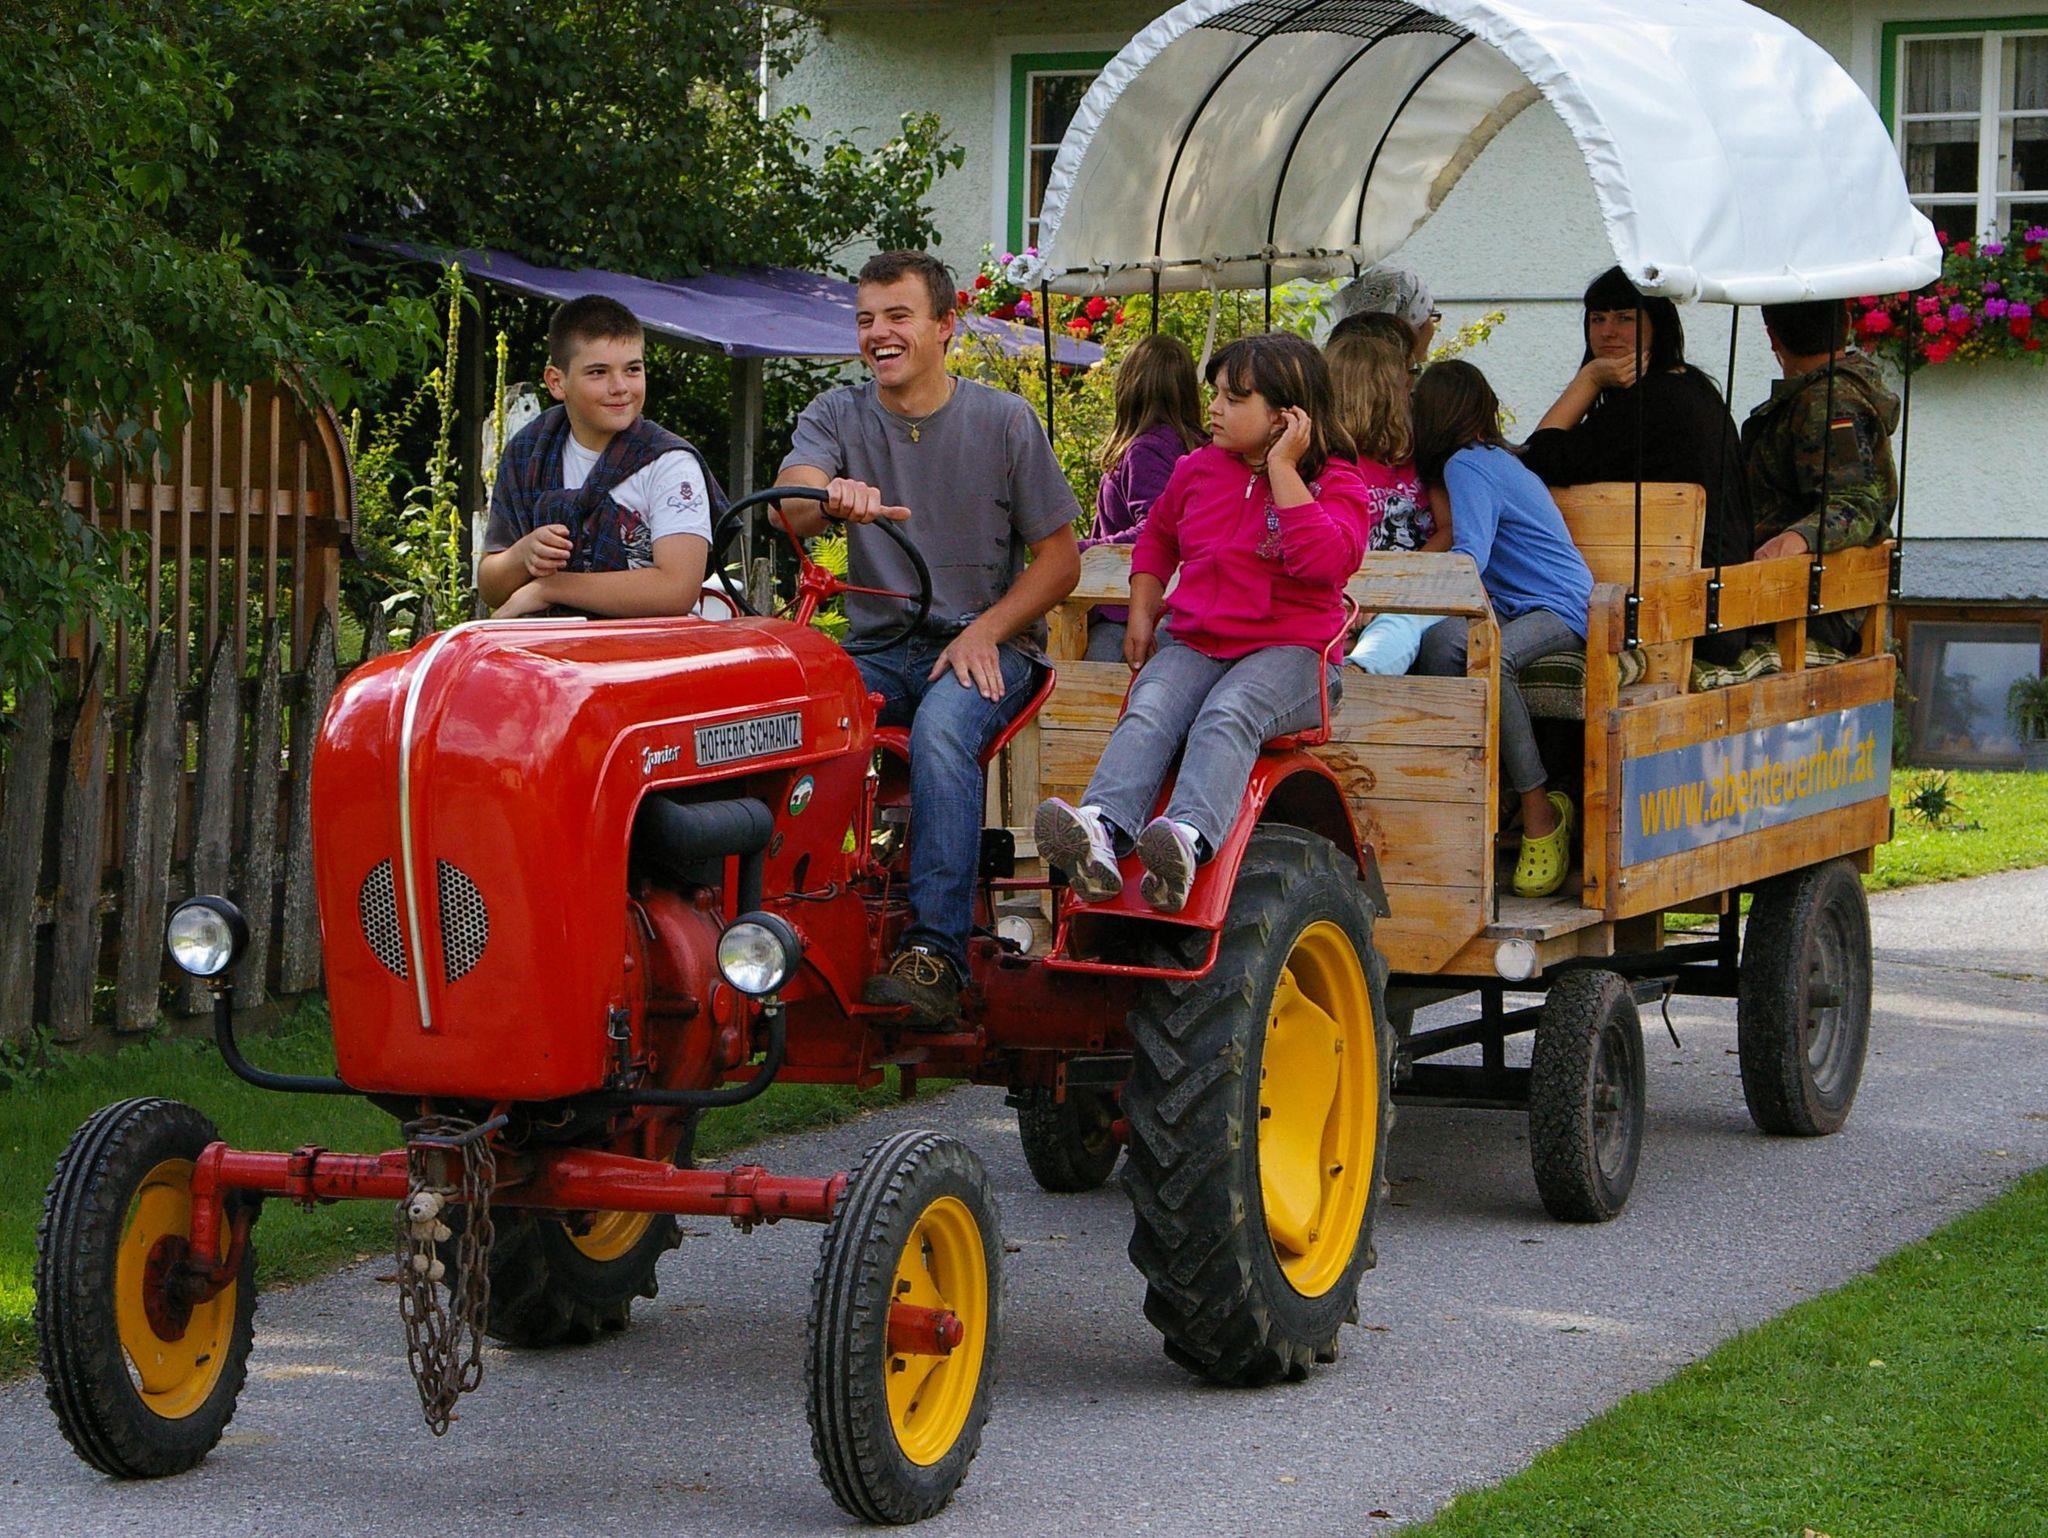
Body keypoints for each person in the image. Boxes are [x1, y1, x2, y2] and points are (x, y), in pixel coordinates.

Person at [776, 250, 1081, 1025]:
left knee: (943, 729)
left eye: (898, 316)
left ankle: (935, 956)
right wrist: (828, 496)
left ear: (945, 326)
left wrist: (985, 630)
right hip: (880, 648)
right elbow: (791, 504)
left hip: (990, 647)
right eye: (865, 319)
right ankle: (787, 924)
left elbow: (1060, 562)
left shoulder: (1003, 422)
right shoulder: (838, 414)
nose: (878, 333)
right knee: (783, 714)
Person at [1035, 334, 1370, 913]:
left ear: (1287, 416)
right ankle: (1101, 830)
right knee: (1150, 704)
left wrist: (1283, 469)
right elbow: (1159, 538)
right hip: (1199, 642)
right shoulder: (1198, 469)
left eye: (1234, 399)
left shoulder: (1337, 482)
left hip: (1295, 655)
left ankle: (1186, 840)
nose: (1213, 408)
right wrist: (1143, 607)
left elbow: (1325, 562)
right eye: (1215, 393)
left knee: (1229, 712)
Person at [1411, 360, 1593, 900]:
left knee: (1494, 658)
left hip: (1562, 606)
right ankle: (1485, 795)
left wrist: (1401, 586)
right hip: (1514, 605)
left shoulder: (1470, 464)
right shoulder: (1478, 462)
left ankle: (1539, 812)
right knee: (1440, 643)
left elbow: (1471, 556)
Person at [1519, 266, 1753, 663]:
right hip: (1719, 610)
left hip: (1686, 618)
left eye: (1625, 318)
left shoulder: (1655, 403)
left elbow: (1538, 459)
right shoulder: (1690, 385)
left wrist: (1589, 380)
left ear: (1657, 325)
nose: (1608, 332)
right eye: (1598, 319)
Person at [481, 295, 718, 618]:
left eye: (632, 369)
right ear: (556, 382)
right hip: (547, 645)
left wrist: (550, 587)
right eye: (598, 372)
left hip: (652, 643)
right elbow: (491, 588)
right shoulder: (528, 453)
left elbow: (677, 590)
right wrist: (522, 555)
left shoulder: (669, 463)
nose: (620, 387)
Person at [1742, 298, 1900, 656]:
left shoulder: (1828, 402)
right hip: (1797, 593)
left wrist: (1798, 537)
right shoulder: (1827, 395)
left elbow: (1857, 504)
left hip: (1807, 602)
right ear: (1846, 324)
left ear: (1772, 337)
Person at [1325, 314, 1445, 675]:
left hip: (1411, 590)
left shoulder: (1414, 455)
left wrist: (1389, 590)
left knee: (1401, 620)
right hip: (1348, 596)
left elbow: (1450, 530)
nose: (1411, 391)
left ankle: (1358, 674)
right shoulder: (1327, 466)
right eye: (1404, 381)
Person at [1081, 333, 1206, 661]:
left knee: (1093, 681)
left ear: (1130, 386)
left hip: (1126, 609)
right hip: (1176, 602)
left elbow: (1153, 529)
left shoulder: (1146, 450)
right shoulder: (1199, 445)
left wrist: (1082, 551)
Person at [1325, 265, 1440, 364]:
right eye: (1430, 313)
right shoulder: (1396, 380)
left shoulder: (1335, 368)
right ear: (1411, 328)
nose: (1433, 326)